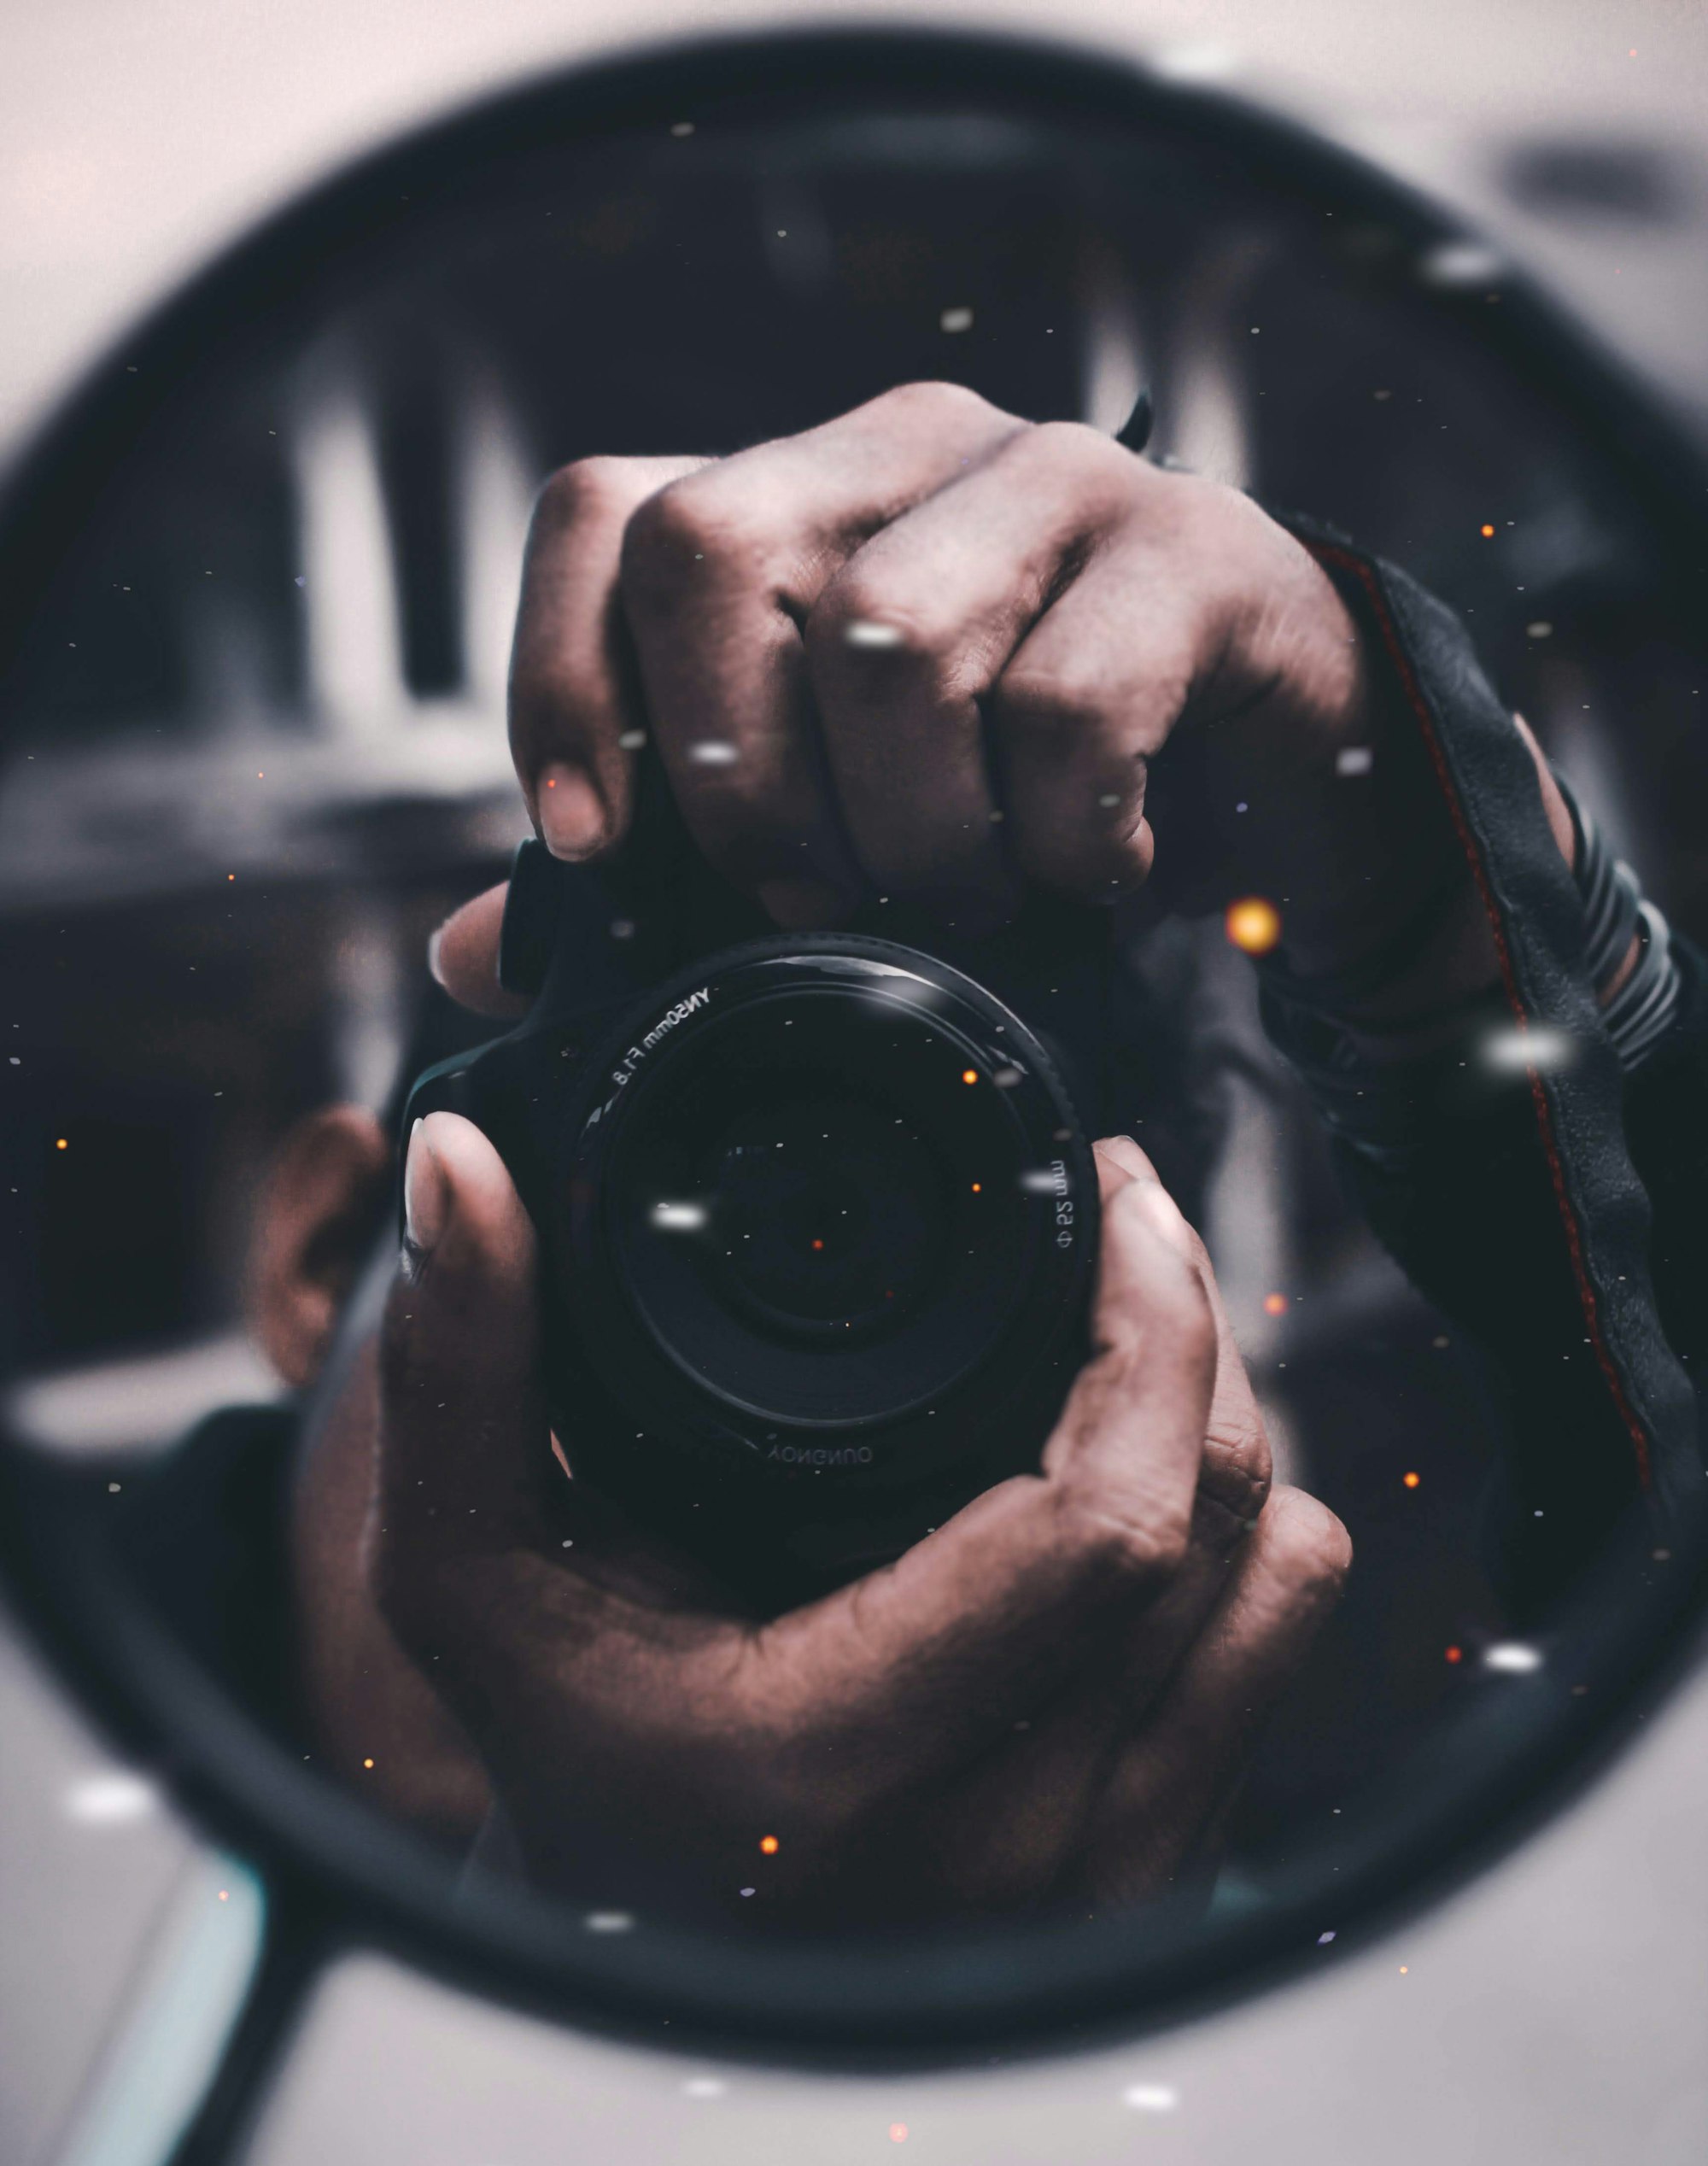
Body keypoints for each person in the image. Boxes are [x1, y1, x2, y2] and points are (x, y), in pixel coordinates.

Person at [225, 382, 1698, 1925]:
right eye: (613, 1299)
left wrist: (1447, 890)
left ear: (1146, 1370)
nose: (729, 1478)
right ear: (332, 1262)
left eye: (913, 1308)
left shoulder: (1338, 1839)